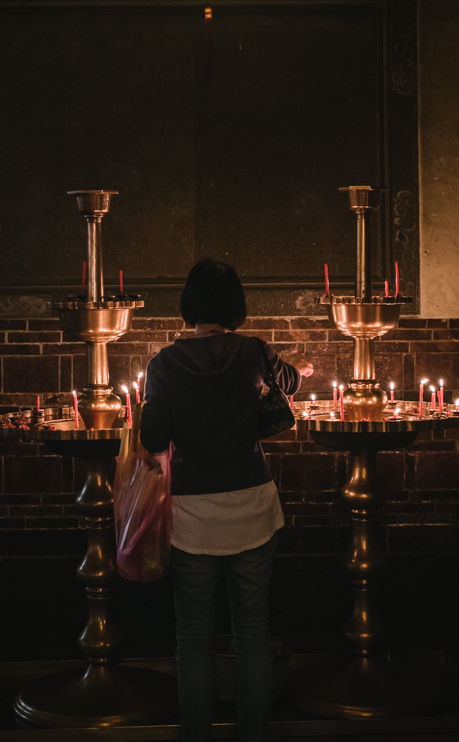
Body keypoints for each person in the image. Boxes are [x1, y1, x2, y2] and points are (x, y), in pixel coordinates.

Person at [139, 258, 313, 742]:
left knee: (193, 640)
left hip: (193, 514)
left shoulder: (164, 364)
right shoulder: (254, 351)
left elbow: (153, 439)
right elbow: (292, 384)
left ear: (188, 306)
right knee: (253, 637)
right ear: (235, 306)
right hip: (254, 507)